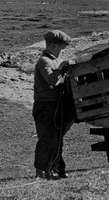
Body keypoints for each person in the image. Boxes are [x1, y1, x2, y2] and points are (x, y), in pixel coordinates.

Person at [33, 30, 76, 180]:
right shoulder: (44, 61)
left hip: (56, 105)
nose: (61, 52)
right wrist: (61, 68)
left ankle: (54, 169)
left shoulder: (56, 60)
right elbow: (52, 80)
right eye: (59, 48)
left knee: (56, 139)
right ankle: (41, 171)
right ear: (51, 46)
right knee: (47, 139)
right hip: (45, 106)